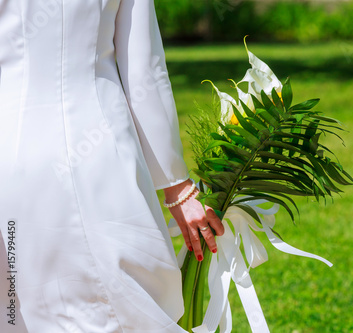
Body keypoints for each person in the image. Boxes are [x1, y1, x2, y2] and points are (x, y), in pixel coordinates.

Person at [0, 0, 223, 332]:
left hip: (13, 152)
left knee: (18, 310)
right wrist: (176, 186)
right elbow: (144, 70)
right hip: (101, 151)